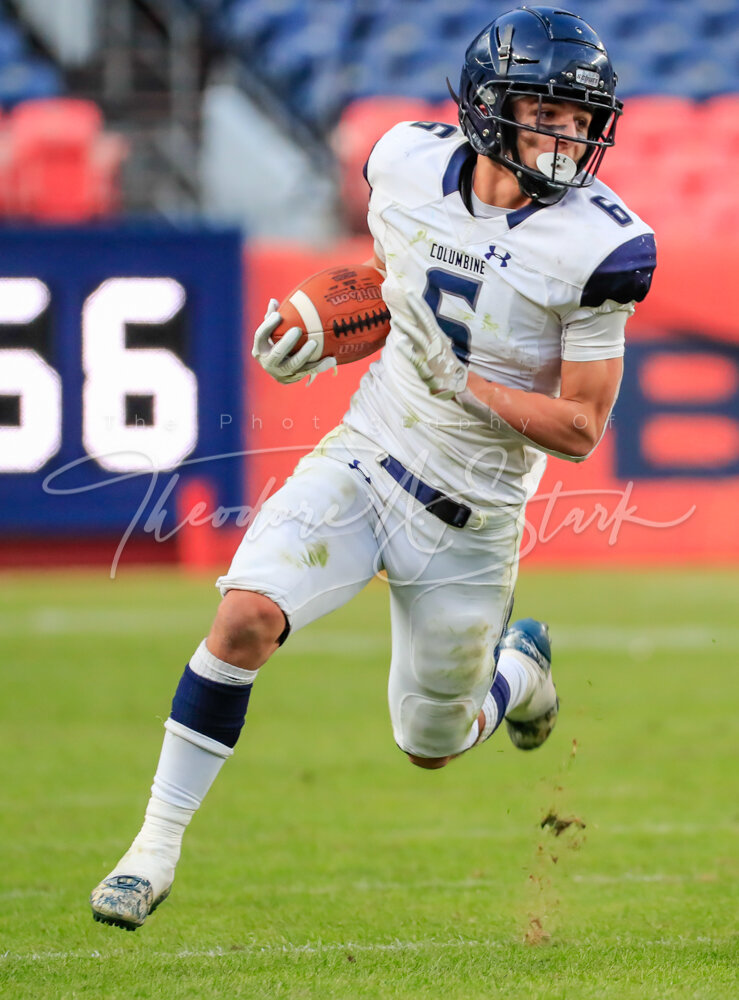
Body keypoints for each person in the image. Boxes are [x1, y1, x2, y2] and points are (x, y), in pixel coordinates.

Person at [90, 5, 656, 930]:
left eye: (578, 120)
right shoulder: (401, 161)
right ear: (486, 108)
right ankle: (152, 849)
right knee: (243, 618)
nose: (565, 136)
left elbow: (581, 426)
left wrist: (466, 384)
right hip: (370, 455)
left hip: (472, 517)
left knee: (430, 746)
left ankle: (518, 674)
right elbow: (405, 278)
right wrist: (317, 329)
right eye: (543, 113)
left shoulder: (603, 246)